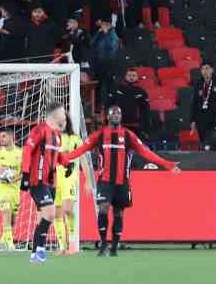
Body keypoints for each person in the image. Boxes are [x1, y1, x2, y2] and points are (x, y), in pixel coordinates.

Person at [62, 105, 178, 257]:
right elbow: (81, 149)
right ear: (107, 117)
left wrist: (166, 164)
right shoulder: (99, 135)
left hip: (122, 182)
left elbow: (146, 152)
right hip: (105, 181)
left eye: (118, 113)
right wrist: (63, 158)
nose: (116, 115)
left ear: (121, 117)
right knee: (103, 209)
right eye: (113, 113)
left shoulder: (129, 135)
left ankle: (114, 247)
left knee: (119, 214)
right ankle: (103, 243)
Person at [19, 104, 68, 264]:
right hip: (37, 180)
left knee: (43, 218)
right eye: (62, 112)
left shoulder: (57, 136)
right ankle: (41, 249)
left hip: (50, 182)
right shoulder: (39, 130)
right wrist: (25, 174)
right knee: (51, 213)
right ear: (53, 115)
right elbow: (27, 151)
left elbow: (56, 155)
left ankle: (34, 255)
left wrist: (67, 163)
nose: (64, 114)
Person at [0, 128, 24, 250]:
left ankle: (3, 241)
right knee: (6, 212)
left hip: (15, 190)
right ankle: (11, 244)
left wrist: (16, 178)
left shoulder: (21, 153)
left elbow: (25, 172)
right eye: (0, 137)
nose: (0, 139)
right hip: (1, 189)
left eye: (3, 136)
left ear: (11, 137)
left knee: (12, 219)